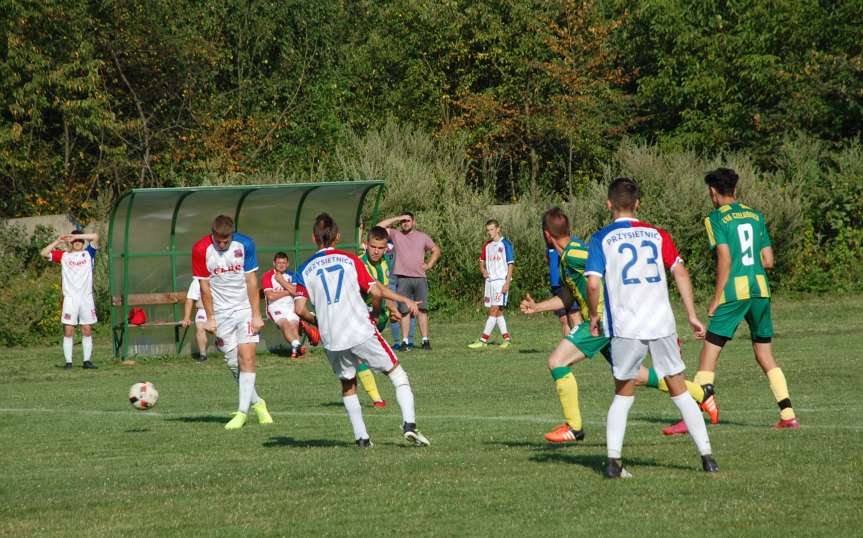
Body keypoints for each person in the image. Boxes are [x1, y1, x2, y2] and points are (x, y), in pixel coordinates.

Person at [520, 208, 706, 443]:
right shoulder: (568, 255)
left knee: (557, 361)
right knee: (636, 375)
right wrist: (537, 307)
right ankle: (700, 394)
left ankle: (574, 427)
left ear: (547, 235)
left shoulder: (577, 254)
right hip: (608, 321)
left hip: (603, 321)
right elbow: (569, 296)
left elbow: (608, 271)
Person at [585, 177, 718, 477]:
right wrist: (692, 315)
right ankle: (708, 458)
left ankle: (613, 463)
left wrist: (594, 315)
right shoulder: (659, 235)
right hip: (661, 323)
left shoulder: (602, 238)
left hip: (626, 325)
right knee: (680, 391)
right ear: (638, 204)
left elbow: (593, 283)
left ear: (608, 204)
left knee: (623, 394)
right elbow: (680, 273)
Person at [664, 168, 799, 435]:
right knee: (764, 353)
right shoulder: (755, 215)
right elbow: (769, 261)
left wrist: (716, 299)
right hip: (760, 290)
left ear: (713, 193)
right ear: (734, 190)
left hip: (735, 293)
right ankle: (788, 414)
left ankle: (692, 417)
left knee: (709, 352)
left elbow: (724, 258)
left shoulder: (715, 219)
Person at [293, 213, 430, 447]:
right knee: (397, 374)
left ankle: (362, 439)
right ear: (338, 236)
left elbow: (299, 309)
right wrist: (377, 313)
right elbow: (375, 292)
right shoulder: (349, 260)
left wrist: (318, 322)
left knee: (348, 384)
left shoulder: (303, 269)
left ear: (313, 238)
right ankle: (409, 426)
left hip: (332, 338)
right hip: (359, 329)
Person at [192, 215, 273, 430]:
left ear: (232, 235)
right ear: (212, 234)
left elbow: (251, 280)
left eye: (225, 241)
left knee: (247, 357)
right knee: (233, 363)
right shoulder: (201, 249)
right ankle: (258, 403)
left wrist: (256, 314)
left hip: (244, 309)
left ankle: (242, 413)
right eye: (218, 240)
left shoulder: (245, 244)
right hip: (220, 312)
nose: (221, 244)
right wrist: (210, 318)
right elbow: (204, 287)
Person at [377, 212, 441, 351]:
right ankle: (405, 342)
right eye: (403, 221)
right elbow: (378, 228)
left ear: (414, 222)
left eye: (408, 220)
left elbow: (436, 250)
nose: (405, 223)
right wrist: (396, 218)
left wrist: (429, 265)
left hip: (420, 278)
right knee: (404, 311)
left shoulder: (422, 236)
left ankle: (425, 341)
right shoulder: (395, 234)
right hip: (402, 278)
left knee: (422, 310)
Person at [41, 230, 99, 370]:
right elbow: (43, 253)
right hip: (70, 299)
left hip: (86, 298)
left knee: (86, 329)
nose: (77, 243)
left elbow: (96, 236)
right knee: (68, 330)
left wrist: (77, 236)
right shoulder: (64, 255)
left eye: (79, 241)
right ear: (70, 243)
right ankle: (68, 362)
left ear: (82, 242)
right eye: (74, 241)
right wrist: (58, 241)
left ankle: (87, 361)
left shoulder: (88, 253)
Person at [357, 226, 401, 408]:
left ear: (386, 248)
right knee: (358, 357)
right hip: (361, 317)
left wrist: (392, 309)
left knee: (371, 358)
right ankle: (377, 399)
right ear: (366, 245)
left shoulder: (385, 264)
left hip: (378, 317)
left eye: (380, 248)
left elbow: (383, 291)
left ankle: (396, 384)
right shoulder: (358, 264)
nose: (376, 251)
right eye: (373, 246)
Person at [468, 219, 514, 348]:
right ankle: (507, 339)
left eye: (492, 229)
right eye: (488, 230)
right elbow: (481, 260)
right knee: (497, 311)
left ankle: (483, 340)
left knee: (494, 309)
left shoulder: (505, 244)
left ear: (498, 229)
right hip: (489, 282)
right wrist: (483, 270)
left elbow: (511, 264)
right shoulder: (487, 245)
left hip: (501, 282)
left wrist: (507, 282)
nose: (490, 232)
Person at [261, 252, 305, 359]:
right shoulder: (267, 276)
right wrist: (289, 291)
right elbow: (270, 296)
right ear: (274, 263)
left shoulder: (292, 275)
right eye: (279, 263)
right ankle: (298, 346)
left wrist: (281, 280)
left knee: (294, 327)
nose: (281, 265)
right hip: (275, 307)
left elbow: (296, 292)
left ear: (288, 264)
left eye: (284, 263)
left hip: (290, 307)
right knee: (285, 325)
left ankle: (296, 352)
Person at [545, 228, 580, 336]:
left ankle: (578, 346)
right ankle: (568, 346)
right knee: (563, 319)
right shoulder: (550, 246)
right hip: (555, 286)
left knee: (573, 315)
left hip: (566, 285)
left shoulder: (570, 245)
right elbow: (547, 259)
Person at [180, 278, 210, 362]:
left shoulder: (222, 276)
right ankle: (203, 355)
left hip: (220, 311)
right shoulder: (197, 281)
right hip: (203, 310)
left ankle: (230, 351)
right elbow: (190, 299)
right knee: (200, 328)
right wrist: (186, 317)